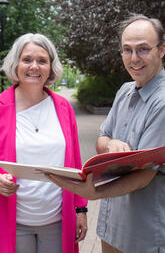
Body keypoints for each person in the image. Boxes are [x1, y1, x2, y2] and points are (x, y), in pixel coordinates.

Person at [47, 13, 165, 253]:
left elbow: (145, 174)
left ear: (162, 50)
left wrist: (94, 192)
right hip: (111, 228)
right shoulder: (124, 91)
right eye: (127, 49)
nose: (134, 59)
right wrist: (111, 144)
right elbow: (102, 139)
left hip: (143, 236)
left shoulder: (162, 102)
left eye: (143, 49)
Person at [0, 33, 88, 253]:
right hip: (12, 221)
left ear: (50, 67)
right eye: (27, 59)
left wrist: (81, 210)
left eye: (42, 61)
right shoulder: (1, 107)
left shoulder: (63, 107)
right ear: (16, 64)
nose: (34, 67)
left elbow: (76, 162)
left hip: (57, 221)